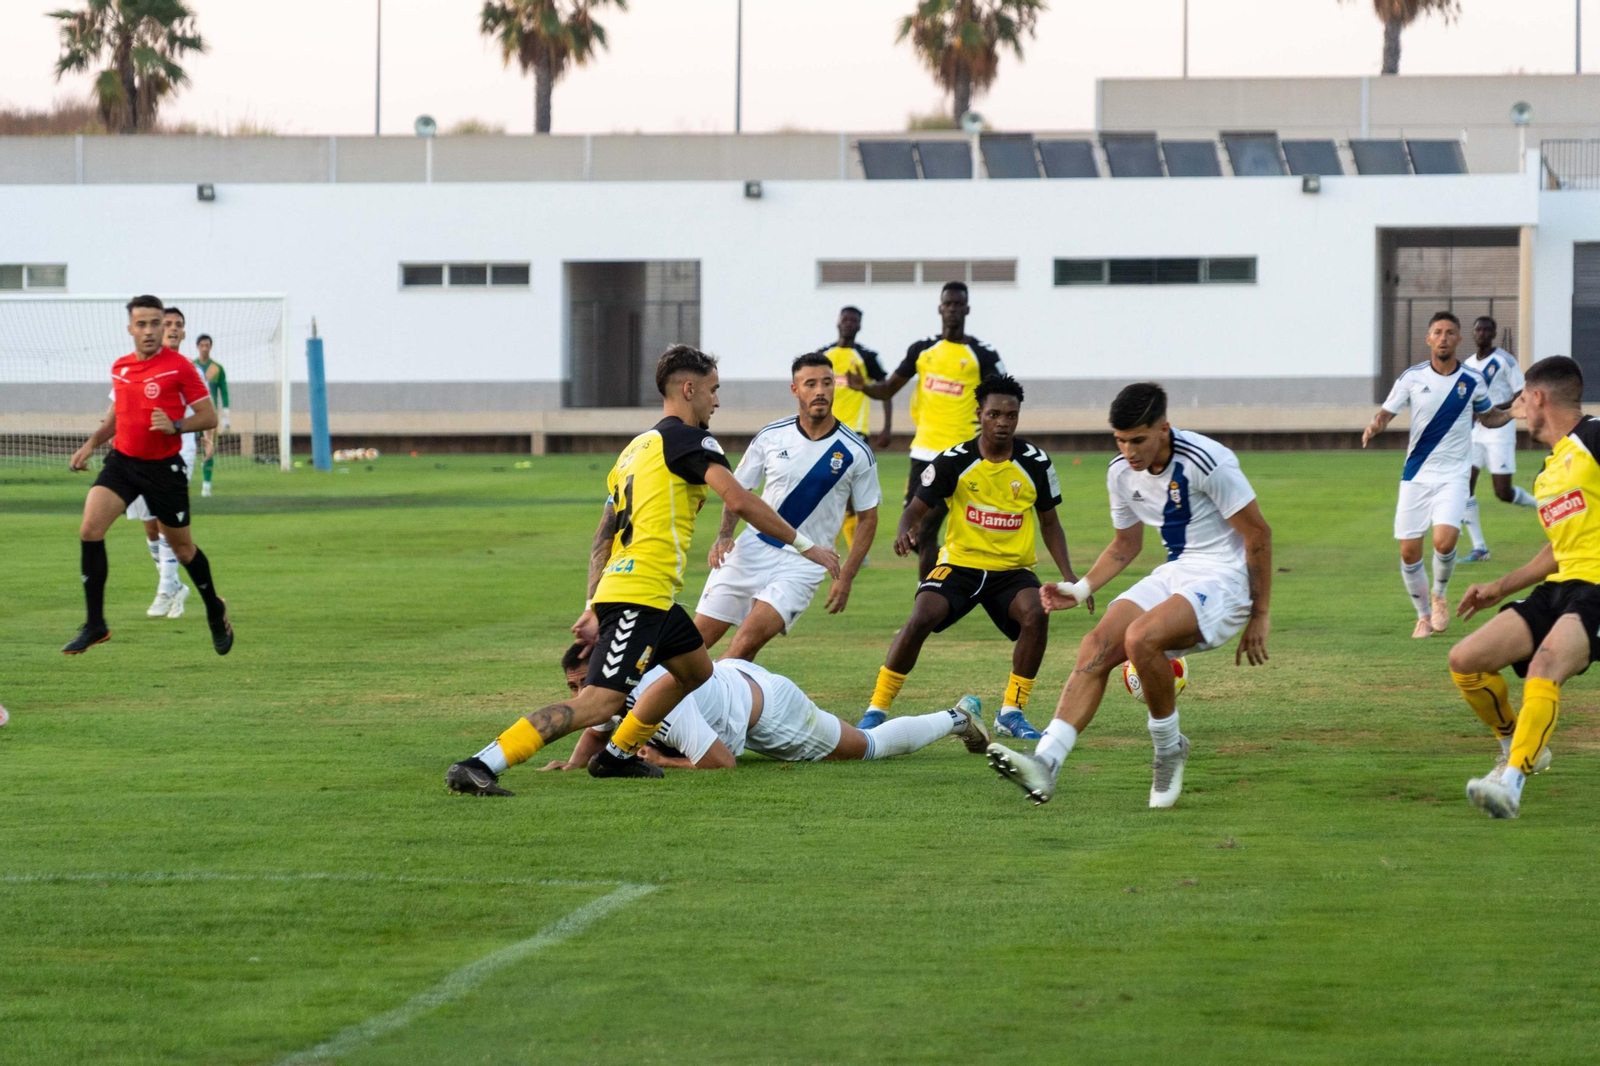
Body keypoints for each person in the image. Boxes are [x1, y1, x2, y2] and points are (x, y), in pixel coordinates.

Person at [446, 345, 840, 795]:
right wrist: (807, 547)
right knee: (599, 703)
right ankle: (481, 762)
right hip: (640, 593)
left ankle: (616, 757)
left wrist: (593, 602)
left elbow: (603, 536)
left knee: (698, 671)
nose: (717, 401)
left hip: (648, 595)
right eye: (713, 390)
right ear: (688, 390)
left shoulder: (634, 450)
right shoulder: (692, 441)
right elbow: (740, 499)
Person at [987, 382, 1273, 809]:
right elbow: (1125, 544)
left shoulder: (1208, 462)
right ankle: (1046, 762)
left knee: (1140, 639)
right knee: (1096, 644)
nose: (1129, 451)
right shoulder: (1119, 472)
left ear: (1164, 428)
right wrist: (1081, 587)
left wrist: (1260, 612)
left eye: (1138, 439)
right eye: (1120, 440)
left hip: (1225, 580)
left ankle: (1168, 749)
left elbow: (1258, 535)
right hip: (1178, 570)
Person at [860, 375, 1080, 742]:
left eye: (1011, 415)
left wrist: (1069, 575)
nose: (1003, 422)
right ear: (979, 414)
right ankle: (876, 709)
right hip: (959, 564)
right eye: (994, 414)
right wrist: (905, 531)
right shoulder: (954, 460)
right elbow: (915, 508)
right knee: (921, 616)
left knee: (1036, 613)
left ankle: (1011, 712)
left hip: (1012, 571)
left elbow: (1050, 522)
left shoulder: (1036, 463)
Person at [1447, 356, 1595, 819]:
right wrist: (1499, 586)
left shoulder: (1595, 439)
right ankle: (1516, 742)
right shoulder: (1551, 469)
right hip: (1560, 587)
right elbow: (1558, 548)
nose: (1516, 411)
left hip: (1597, 589)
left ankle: (1511, 782)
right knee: (1466, 661)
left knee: (1544, 668)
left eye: (1521, 401)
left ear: (1537, 398)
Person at [65, 295, 234, 656]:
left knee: (183, 549)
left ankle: (213, 608)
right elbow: (116, 417)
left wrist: (176, 425)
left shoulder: (181, 368)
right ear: (130, 328)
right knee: (89, 529)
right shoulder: (121, 367)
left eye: (156, 323)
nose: (149, 331)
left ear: (164, 326)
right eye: (141, 324)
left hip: (163, 469)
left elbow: (209, 417)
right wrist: (91, 444)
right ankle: (96, 624)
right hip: (123, 463)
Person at [538, 645, 989, 774]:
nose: (582, 697)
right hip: (735, 688)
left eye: (585, 684)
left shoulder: (665, 705)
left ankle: (958, 718)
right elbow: (600, 727)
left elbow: (722, 763)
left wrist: (661, 760)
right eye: (574, 688)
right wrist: (574, 764)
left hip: (773, 713)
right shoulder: (616, 688)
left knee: (867, 747)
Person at [694, 352, 879, 661]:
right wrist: (725, 535)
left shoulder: (855, 451)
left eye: (827, 383)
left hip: (804, 563)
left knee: (744, 645)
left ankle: (706, 704)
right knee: (696, 642)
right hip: (751, 548)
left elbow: (868, 519)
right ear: (796, 390)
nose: (820, 391)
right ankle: (653, 702)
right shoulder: (771, 436)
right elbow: (738, 490)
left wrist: (846, 577)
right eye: (810, 384)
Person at [1362, 311, 1511, 638]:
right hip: (1416, 475)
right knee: (1408, 551)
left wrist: (1516, 413)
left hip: (1454, 475)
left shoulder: (1472, 379)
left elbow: (1488, 416)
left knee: (1445, 542)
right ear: (1429, 339)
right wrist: (1376, 425)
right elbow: (1387, 412)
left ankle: (1440, 594)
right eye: (1438, 332)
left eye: (1450, 332)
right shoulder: (1412, 378)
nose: (1443, 337)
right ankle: (1423, 615)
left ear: (1459, 339)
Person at [848, 281, 1005, 579]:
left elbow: (1004, 394)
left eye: (959, 304)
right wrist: (863, 387)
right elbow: (887, 389)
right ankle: (947, 578)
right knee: (916, 536)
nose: (953, 310)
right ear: (940, 308)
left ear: (967, 309)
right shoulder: (922, 351)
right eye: (948, 304)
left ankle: (926, 608)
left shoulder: (981, 354)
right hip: (923, 453)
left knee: (926, 529)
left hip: (961, 455)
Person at [95, 306, 196, 620]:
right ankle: (174, 585)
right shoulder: (135, 366)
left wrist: (204, 435)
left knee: (166, 525)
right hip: (135, 455)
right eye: (167, 323)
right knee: (150, 527)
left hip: (176, 453)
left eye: (179, 324)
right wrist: (107, 434)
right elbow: (117, 405)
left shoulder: (187, 367)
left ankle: (167, 587)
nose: (173, 328)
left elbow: (204, 409)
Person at [806, 306, 892, 553]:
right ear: (838, 322)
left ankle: (851, 549)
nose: (848, 324)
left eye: (853, 320)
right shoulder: (823, 355)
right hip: (822, 430)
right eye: (845, 319)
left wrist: (887, 427)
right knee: (827, 489)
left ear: (859, 326)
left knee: (843, 490)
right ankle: (830, 545)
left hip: (854, 431)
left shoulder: (867, 357)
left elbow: (886, 390)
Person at [1460, 316, 1535, 562]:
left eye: (1486, 330)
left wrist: (1493, 411)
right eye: (1477, 329)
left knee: (1503, 492)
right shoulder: (1469, 364)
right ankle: (1480, 548)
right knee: (1464, 485)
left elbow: (1519, 393)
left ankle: (1541, 504)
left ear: (1493, 334)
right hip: (1475, 433)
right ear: (1472, 334)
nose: (1481, 333)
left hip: (1500, 431)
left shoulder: (1505, 360)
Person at [193, 333, 229, 498]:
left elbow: (224, 393)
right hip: (191, 413)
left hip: (210, 414)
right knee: (184, 447)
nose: (204, 348)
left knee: (208, 448)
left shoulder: (217, 368)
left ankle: (206, 486)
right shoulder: (191, 366)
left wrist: (226, 417)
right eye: (202, 345)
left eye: (207, 345)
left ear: (210, 347)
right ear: (198, 346)